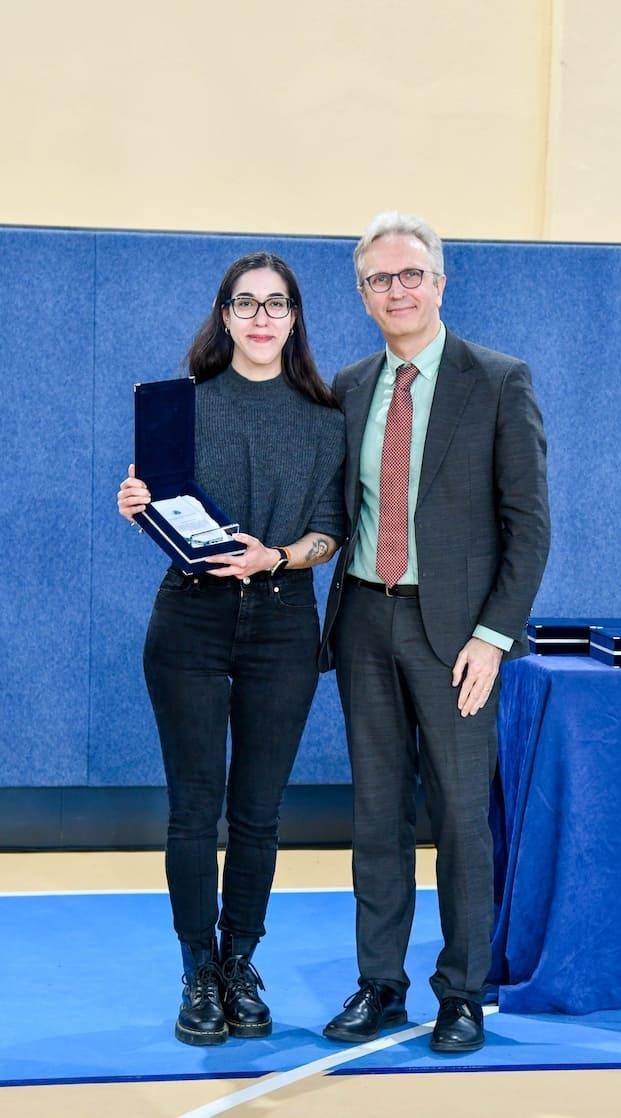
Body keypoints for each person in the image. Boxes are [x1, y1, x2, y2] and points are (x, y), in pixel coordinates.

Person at [320, 212, 550, 1053]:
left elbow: (529, 526)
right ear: (362, 295)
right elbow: (327, 509)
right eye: (380, 279)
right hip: (362, 620)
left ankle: (461, 993)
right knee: (376, 813)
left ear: (439, 283)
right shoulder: (349, 386)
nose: (397, 290)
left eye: (410, 274)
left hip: (456, 638)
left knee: (459, 816)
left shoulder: (497, 380)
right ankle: (379, 984)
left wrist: (493, 636)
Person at [117, 252, 345, 1046]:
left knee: (257, 813)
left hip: (283, 623)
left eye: (275, 303)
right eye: (245, 303)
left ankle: (239, 963)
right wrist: (138, 504)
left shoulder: (325, 419)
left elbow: (329, 532)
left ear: (294, 318)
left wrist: (275, 556)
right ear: (223, 315)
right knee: (193, 811)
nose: (260, 317)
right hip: (190, 621)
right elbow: (166, 512)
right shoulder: (181, 406)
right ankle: (197, 972)